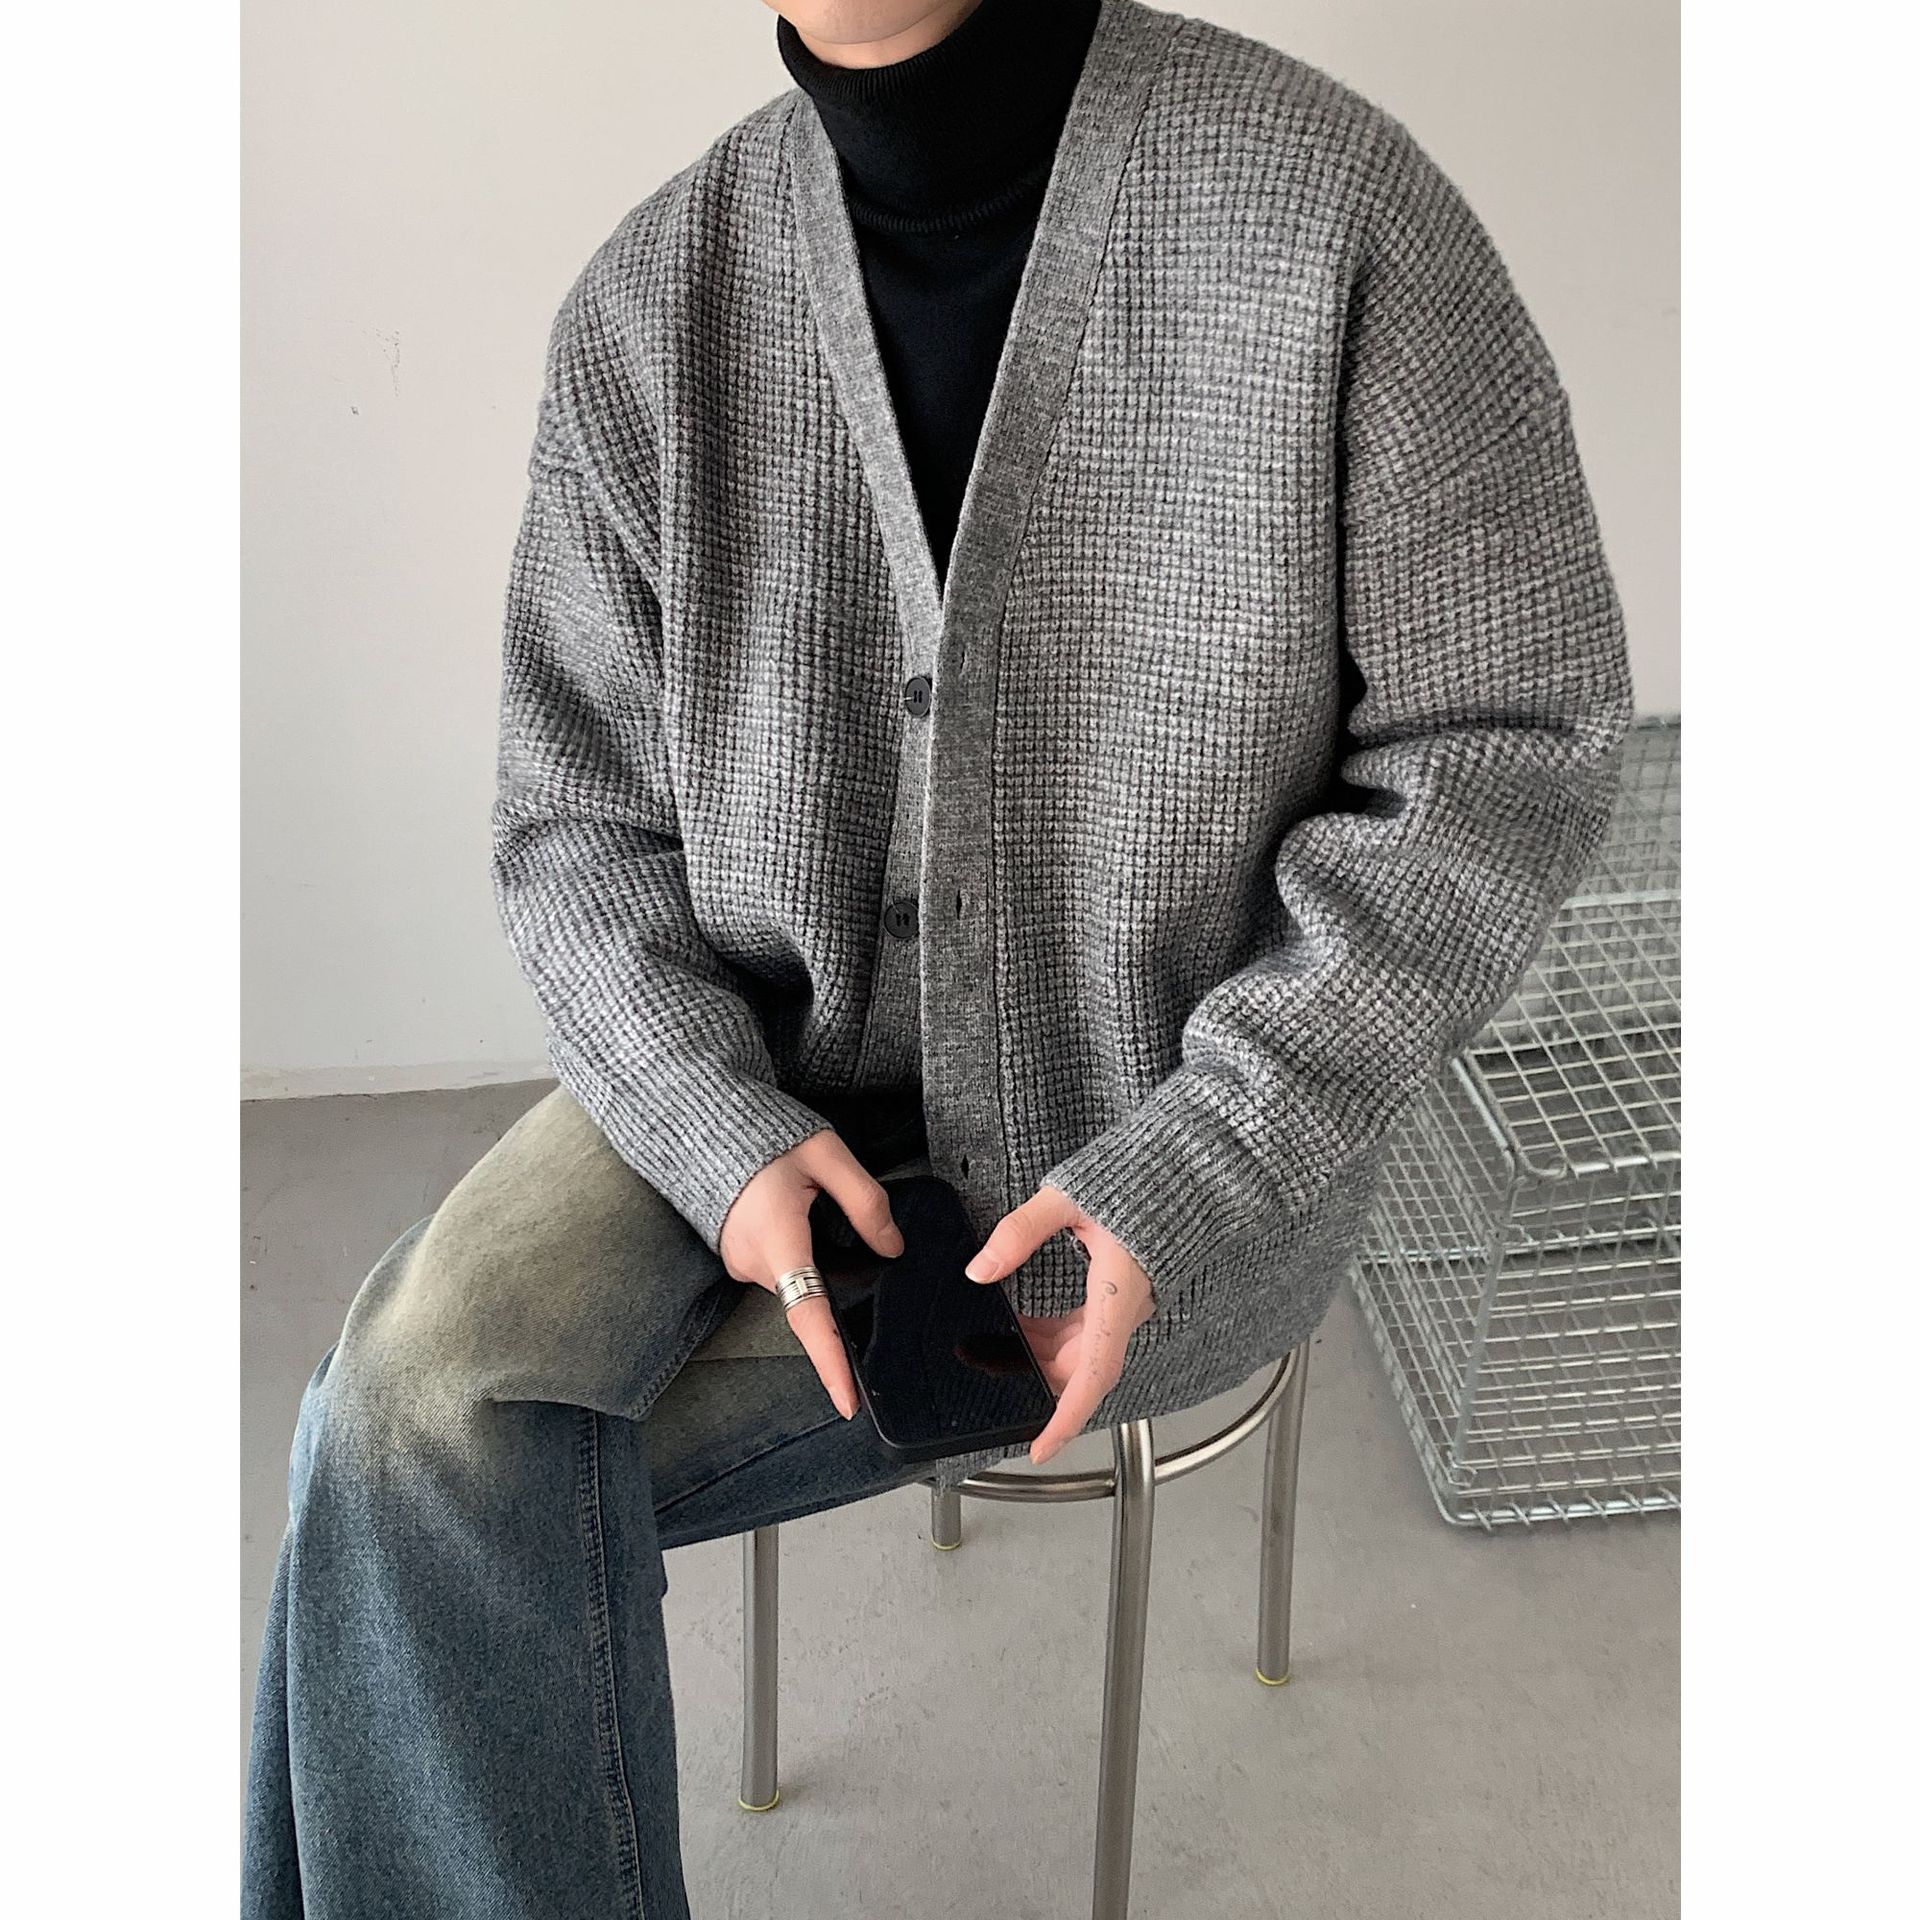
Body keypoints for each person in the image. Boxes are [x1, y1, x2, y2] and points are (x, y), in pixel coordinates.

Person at [242, 1, 1635, 1914]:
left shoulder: (1334, 215)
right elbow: (573, 823)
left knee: (426, 1495)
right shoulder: (655, 301)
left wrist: (1206, 1156)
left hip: (1155, 1148)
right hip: (741, 1069)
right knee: (400, 1426)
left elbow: (1502, 751)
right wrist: (708, 1124)